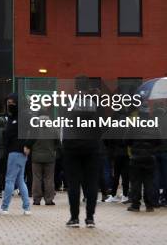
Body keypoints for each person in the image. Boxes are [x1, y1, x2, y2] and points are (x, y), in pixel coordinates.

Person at [61, 76, 101, 228]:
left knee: (73, 184)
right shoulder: (96, 103)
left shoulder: (69, 102)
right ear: (88, 86)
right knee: (91, 184)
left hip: (72, 148)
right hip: (92, 147)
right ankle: (90, 218)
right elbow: (103, 125)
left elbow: (63, 122)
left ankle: (74, 218)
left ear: (76, 87)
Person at [0, 93, 32, 216]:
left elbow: (33, 130)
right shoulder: (16, 116)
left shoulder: (21, 116)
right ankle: (26, 207)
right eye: (8, 102)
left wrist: (28, 144)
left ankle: (4, 207)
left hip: (15, 152)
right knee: (20, 180)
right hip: (20, 152)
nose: (9, 105)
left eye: (11, 102)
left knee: (10, 180)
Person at [126, 106, 160, 212]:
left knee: (136, 182)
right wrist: (152, 149)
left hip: (136, 158)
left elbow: (126, 140)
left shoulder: (133, 125)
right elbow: (159, 141)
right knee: (149, 182)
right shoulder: (153, 125)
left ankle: (135, 205)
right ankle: (149, 205)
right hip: (150, 158)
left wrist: (133, 147)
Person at [31, 114, 59, 206]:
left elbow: (29, 142)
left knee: (36, 178)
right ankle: (49, 199)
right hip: (50, 157)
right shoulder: (54, 129)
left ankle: (36, 199)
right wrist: (53, 149)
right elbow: (58, 142)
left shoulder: (34, 129)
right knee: (49, 179)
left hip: (36, 157)